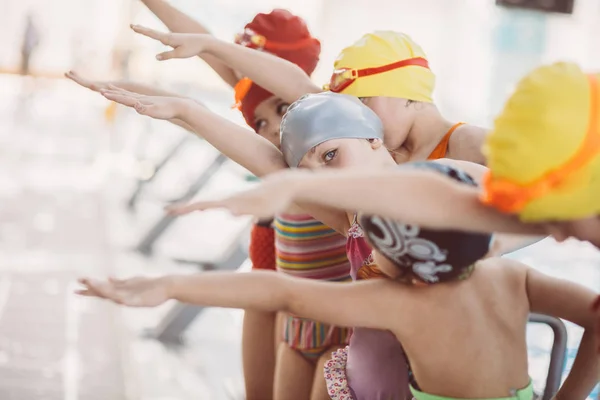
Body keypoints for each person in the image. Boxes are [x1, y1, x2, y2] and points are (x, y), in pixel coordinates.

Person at [75, 161, 599, 399]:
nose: (365, 253)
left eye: (374, 242)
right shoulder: (510, 274)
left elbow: (282, 291)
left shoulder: (403, 302)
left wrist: (170, 286)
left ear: (409, 259)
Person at [69, 7, 350, 399]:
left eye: (282, 112)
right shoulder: (261, 110)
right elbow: (194, 89)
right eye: (259, 124)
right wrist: (119, 87)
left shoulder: (329, 131)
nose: (271, 131)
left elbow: (220, 65)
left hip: (317, 301)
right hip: (275, 273)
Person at [123, 27, 490, 165]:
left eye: (363, 102)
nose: (356, 116)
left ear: (408, 93)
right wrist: (210, 46)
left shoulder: (467, 144)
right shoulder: (376, 151)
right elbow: (299, 88)